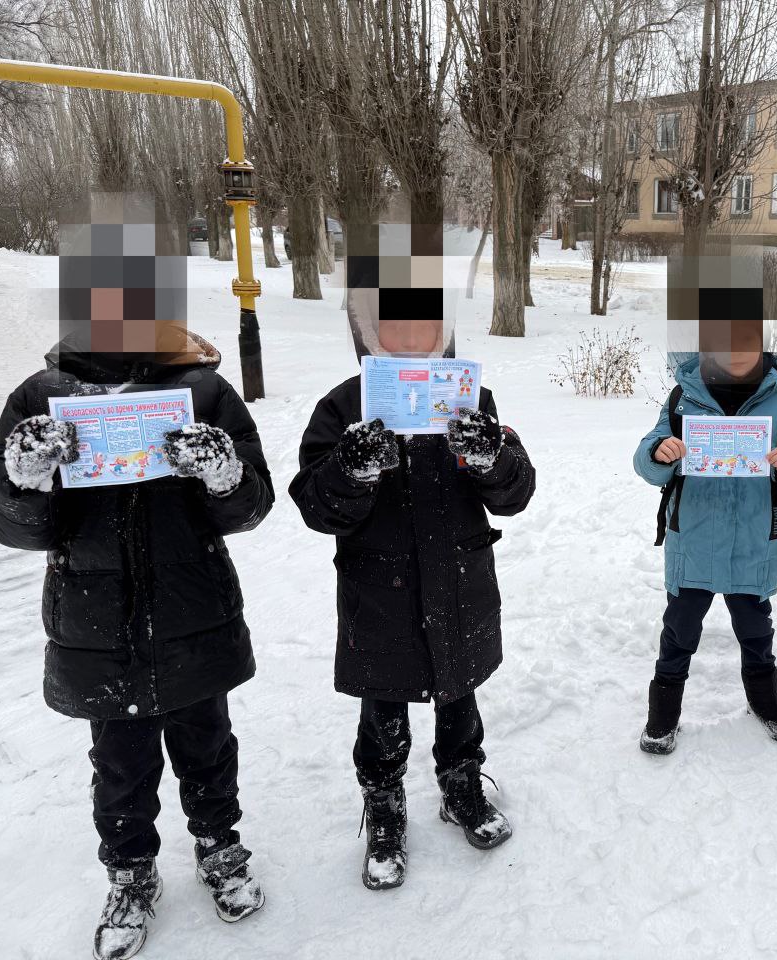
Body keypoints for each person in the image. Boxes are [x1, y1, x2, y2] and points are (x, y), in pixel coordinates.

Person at [0, 193, 271, 960]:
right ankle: (131, 873)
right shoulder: (40, 400)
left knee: (208, 745)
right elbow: (13, 526)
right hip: (96, 626)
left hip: (194, 614)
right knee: (120, 763)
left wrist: (222, 473)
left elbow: (252, 506)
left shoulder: (203, 391)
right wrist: (23, 479)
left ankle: (220, 846)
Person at [289, 220, 535, 891]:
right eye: (393, 323)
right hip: (381, 598)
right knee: (383, 714)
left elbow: (515, 493)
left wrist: (490, 458)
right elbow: (314, 504)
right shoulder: (343, 408)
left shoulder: (472, 399)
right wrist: (351, 469)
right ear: (368, 329)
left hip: (459, 586)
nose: (410, 335)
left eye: (424, 322)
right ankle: (384, 804)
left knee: (460, 699)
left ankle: (461, 784)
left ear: (443, 327)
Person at [632, 284, 777, 754]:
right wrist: (659, 453)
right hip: (694, 543)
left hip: (755, 546)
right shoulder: (683, 398)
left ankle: (765, 701)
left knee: (757, 632)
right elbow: (647, 462)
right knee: (678, 633)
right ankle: (663, 711)